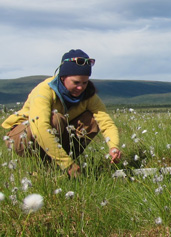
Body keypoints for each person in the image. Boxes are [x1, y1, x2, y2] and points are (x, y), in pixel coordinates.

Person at [2, 49, 122, 178]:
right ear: (63, 77)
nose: (81, 87)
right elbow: (40, 128)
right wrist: (67, 164)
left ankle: (58, 167)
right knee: (55, 119)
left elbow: (106, 122)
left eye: (85, 82)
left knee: (92, 120)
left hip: (56, 133)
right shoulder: (43, 91)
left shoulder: (89, 95)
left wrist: (113, 147)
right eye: (76, 82)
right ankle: (48, 167)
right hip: (23, 137)